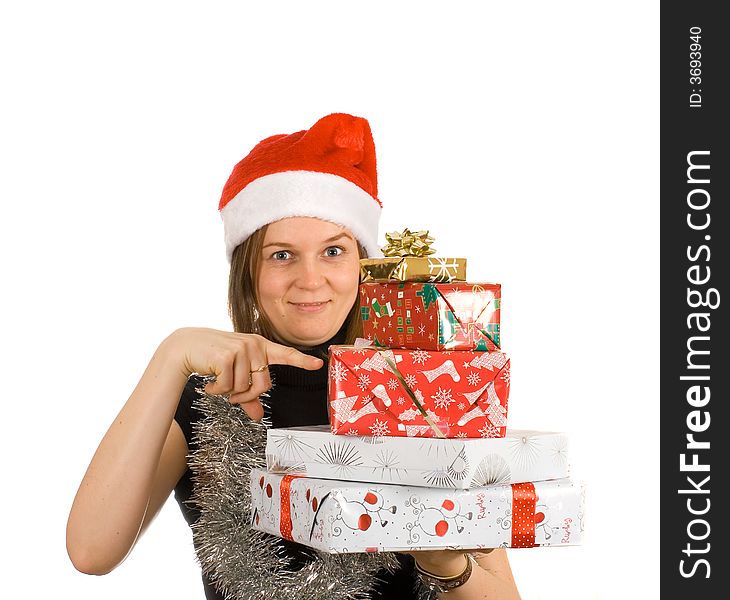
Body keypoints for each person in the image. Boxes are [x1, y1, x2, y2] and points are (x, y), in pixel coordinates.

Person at [66, 113, 521, 599]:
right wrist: (170, 354)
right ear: (248, 272)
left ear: (364, 264)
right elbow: (91, 552)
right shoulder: (207, 395)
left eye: (333, 252)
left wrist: (445, 561)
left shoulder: (419, 386)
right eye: (281, 255)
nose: (310, 280)